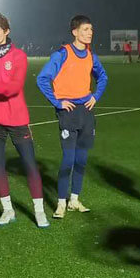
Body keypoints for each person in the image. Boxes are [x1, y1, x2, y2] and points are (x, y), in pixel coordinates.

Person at [0, 13, 49, 228]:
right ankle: (7, 210)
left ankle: (39, 211)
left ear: (6, 31)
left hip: (16, 118)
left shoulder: (18, 56)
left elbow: (14, 87)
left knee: (30, 164)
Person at [37, 15, 109, 219]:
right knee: (68, 160)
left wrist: (95, 96)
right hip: (68, 112)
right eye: (85, 29)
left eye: (91, 29)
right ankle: (61, 202)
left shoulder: (91, 55)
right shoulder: (62, 54)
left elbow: (103, 77)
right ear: (75, 32)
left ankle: (74, 200)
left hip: (86, 112)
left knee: (82, 160)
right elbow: (42, 79)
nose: (90, 33)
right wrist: (57, 102)